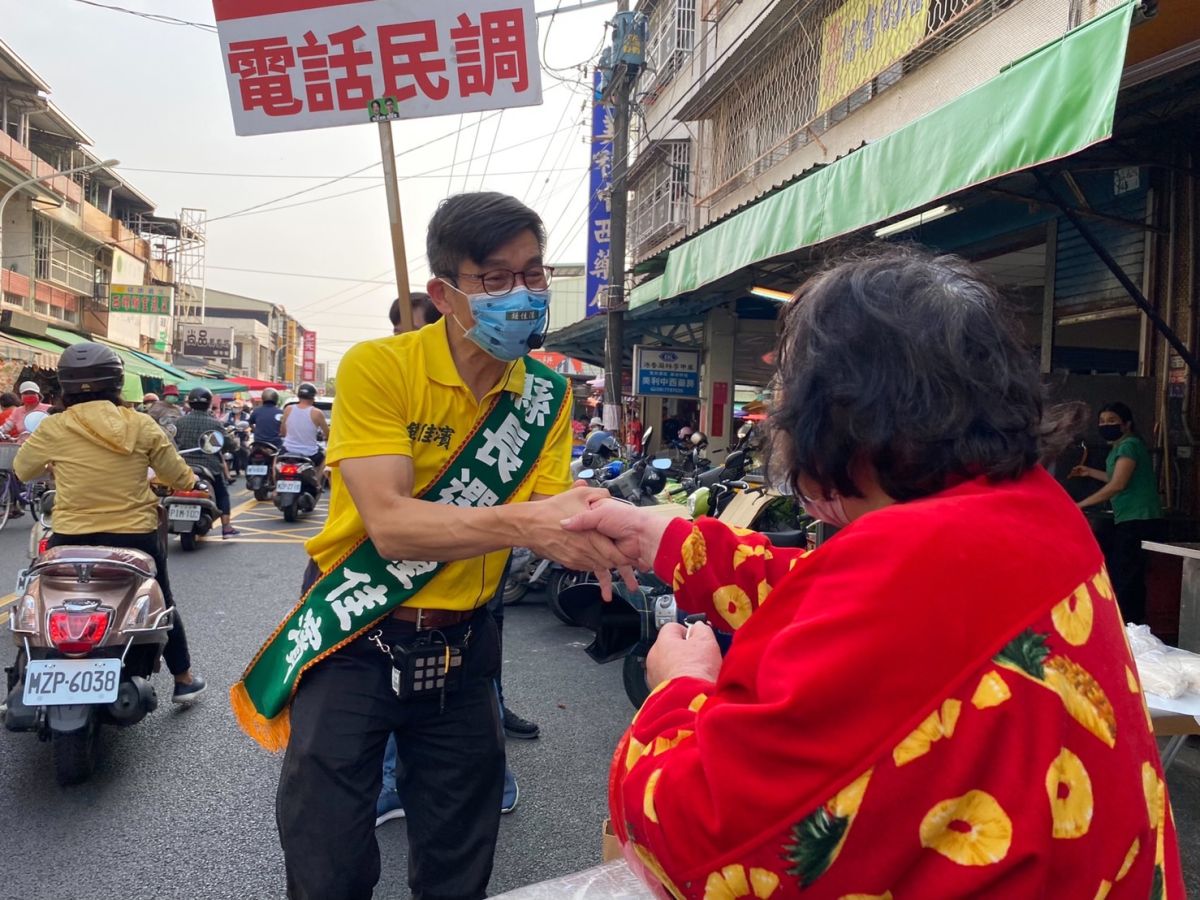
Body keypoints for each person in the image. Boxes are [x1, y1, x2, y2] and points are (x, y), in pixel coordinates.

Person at [563, 247, 1183, 898]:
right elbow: (841, 601)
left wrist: (677, 691)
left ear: (842, 414)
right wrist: (669, 541)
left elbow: (697, 838)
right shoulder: (1029, 510)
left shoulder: (913, 560)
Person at [234, 191, 636, 900]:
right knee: (327, 860)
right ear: (445, 294)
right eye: (495, 278)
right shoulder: (378, 369)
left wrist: (612, 531)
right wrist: (527, 524)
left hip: (466, 649)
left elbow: (549, 510)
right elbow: (390, 525)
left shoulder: (545, 393)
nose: (523, 294)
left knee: (460, 859)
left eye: (534, 273)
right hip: (356, 637)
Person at [13, 343, 206, 701]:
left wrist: (56, 464)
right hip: (135, 537)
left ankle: (24, 674)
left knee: (41, 594)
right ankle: (183, 679)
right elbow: (178, 476)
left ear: (66, 385)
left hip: (69, 536)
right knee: (163, 602)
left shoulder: (55, 426)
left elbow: (23, 470)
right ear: (117, 382)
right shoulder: (141, 424)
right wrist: (192, 484)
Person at [1072, 402, 1165, 625]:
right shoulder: (1120, 447)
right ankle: (1128, 622)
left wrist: (1080, 505)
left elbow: (1118, 485)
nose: (1105, 425)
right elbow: (1114, 478)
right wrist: (1089, 472)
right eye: (1102, 421)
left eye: (1112, 421)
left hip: (1139, 518)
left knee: (1126, 574)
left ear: (1127, 424)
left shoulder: (1129, 446)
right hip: (1130, 517)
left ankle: (1128, 624)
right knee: (1126, 571)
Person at [173, 387, 239, 538]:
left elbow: (172, 442)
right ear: (209, 403)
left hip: (184, 466)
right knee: (222, 493)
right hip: (210, 467)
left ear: (189, 403)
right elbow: (228, 444)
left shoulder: (180, 422)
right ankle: (226, 527)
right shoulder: (214, 424)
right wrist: (235, 444)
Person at [281, 382, 328, 470]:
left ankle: (274, 481)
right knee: (327, 457)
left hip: (288, 450)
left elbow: (283, 432)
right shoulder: (317, 413)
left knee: (276, 460)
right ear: (313, 397)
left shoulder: (288, 409)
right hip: (310, 454)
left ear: (298, 396)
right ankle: (318, 480)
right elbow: (328, 434)